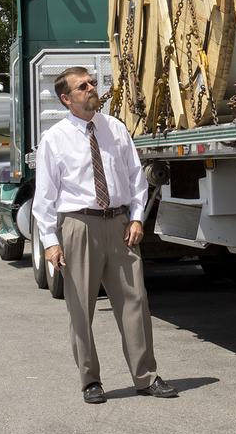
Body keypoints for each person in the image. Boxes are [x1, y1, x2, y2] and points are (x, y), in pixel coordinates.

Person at [32, 65, 178, 404]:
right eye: (82, 86)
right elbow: (45, 197)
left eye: (93, 82)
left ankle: (146, 377)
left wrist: (137, 218)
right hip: (78, 226)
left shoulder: (115, 129)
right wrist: (51, 242)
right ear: (67, 98)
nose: (91, 88)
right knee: (80, 307)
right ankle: (90, 381)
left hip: (119, 225)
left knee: (135, 301)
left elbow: (136, 179)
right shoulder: (54, 139)